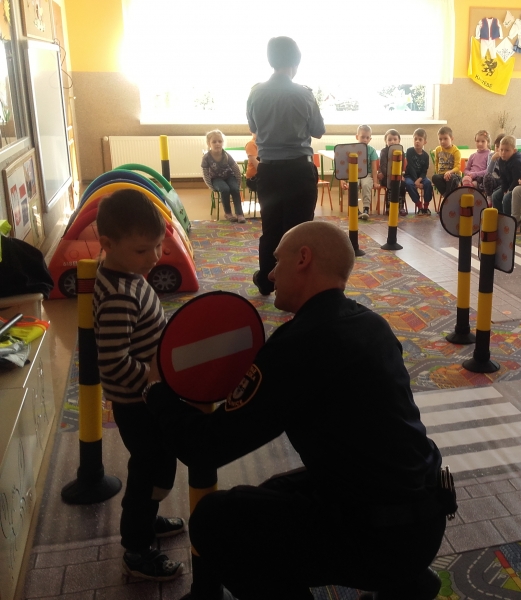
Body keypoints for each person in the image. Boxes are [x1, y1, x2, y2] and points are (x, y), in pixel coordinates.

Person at [145, 221, 452, 600]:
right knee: (272, 492)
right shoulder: (370, 323)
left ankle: (396, 572)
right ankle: (408, 582)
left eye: (278, 261)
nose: (271, 274)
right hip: (424, 512)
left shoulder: (300, 344)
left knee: (215, 520)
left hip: (382, 536)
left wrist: (156, 392)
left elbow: (204, 447)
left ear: (303, 258)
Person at [94, 189, 184, 581]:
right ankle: (137, 547)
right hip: (138, 402)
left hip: (146, 396)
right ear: (107, 244)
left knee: (158, 463)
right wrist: (153, 386)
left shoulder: (126, 274)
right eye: (142, 250)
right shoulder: (118, 294)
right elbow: (113, 362)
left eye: (159, 246)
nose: (154, 258)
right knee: (149, 469)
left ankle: (147, 519)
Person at [247, 36, 325, 297]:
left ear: (271, 60)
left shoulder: (255, 93)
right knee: (299, 230)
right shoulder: (304, 94)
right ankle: (297, 283)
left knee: (270, 228)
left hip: (268, 171)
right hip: (299, 171)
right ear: (296, 62)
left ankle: (267, 280)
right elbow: (318, 130)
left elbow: (254, 128)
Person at [201, 130, 245, 223]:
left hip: (229, 176)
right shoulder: (206, 157)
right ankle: (228, 213)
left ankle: (239, 213)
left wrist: (238, 182)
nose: (217, 144)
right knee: (225, 189)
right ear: (209, 143)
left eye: (220, 141)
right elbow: (205, 173)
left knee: (235, 189)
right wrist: (210, 186)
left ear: (223, 143)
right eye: (214, 142)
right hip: (216, 179)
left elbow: (235, 169)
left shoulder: (226, 155)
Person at [344, 125, 380, 220]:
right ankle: (355, 208)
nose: (365, 139)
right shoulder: (351, 149)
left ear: (370, 139)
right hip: (354, 174)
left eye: (367, 137)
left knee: (366, 185)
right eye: (362, 137)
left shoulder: (371, 150)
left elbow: (374, 168)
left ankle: (366, 209)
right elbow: (345, 166)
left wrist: (375, 182)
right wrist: (343, 180)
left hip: (366, 174)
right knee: (353, 185)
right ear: (357, 137)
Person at [492, 135, 521, 217]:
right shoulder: (501, 160)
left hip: (519, 186)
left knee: (506, 199)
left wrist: (508, 191)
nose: (503, 153)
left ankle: (508, 219)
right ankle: (500, 217)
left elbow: (517, 180)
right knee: (495, 196)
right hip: (509, 185)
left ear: (514, 151)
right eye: (501, 150)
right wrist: (504, 189)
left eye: (507, 150)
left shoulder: (517, 162)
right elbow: (503, 177)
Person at [377, 128, 407, 216]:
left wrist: (400, 175)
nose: (392, 141)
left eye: (395, 139)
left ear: (399, 141)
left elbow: (402, 166)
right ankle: (388, 207)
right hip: (386, 176)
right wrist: (390, 176)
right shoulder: (383, 151)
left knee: (402, 184)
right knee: (391, 184)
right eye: (389, 139)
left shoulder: (401, 152)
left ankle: (401, 207)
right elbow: (383, 166)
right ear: (386, 141)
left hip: (397, 176)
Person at [404, 128, 434, 214]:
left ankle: (426, 207)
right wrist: (415, 180)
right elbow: (411, 167)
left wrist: (419, 180)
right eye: (415, 139)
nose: (417, 141)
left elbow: (424, 171)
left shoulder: (426, 156)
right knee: (409, 184)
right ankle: (419, 205)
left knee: (428, 183)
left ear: (425, 142)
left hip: (421, 177)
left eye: (420, 139)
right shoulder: (409, 151)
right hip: (410, 176)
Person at [431, 126, 461, 199]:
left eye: (445, 138)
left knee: (450, 178)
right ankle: (448, 197)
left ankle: (447, 199)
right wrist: (438, 174)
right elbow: (436, 163)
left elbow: (458, 167)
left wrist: (449, 172)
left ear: (452, 138)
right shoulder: (438, 149)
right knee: (434, 177)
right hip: (442, 175)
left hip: (454, 175)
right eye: (440, 139)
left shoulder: (456, 151)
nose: (442, 141)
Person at [482, 134, 505, 202]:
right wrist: (493, 159)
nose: (498, 149)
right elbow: (489, 171)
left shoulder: (506, 156)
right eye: (497, 146)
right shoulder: (491, 155)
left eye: (501, 148)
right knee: (487, 177)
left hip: (503, 181)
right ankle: (489, 197)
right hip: (493, 180)